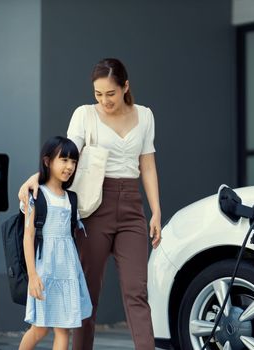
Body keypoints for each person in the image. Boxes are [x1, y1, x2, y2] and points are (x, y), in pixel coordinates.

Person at [19, 58, 161, 350]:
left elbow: (147, 165)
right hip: (94, 208)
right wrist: (37, 177)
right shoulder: (85, 115)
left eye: (110, 93)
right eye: (98, 94)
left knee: (137, 291)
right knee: (87, 294)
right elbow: (66, 155)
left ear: (125, 87)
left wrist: (156, 211)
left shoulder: (145, 116)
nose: (104, 100)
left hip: (132, 208)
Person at [19, 136, 92, 350]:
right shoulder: (36, 195)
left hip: (67, 271)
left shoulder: (71, 198)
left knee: (64, 329)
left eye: (73, 162)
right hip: (45, 271)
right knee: (39, 329)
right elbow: (28, 236)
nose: (69, 166)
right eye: (64, 160)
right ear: (48, 161)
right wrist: (33, 275)